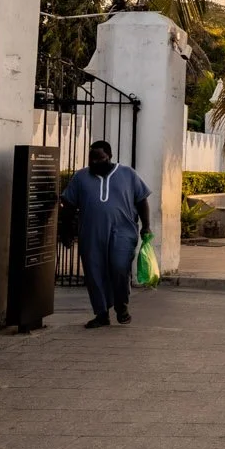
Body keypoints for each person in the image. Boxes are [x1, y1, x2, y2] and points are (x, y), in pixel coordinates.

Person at [57, 140, 152, 329]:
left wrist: (146, 226)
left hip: (123, 231)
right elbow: (68, 205)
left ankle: (121, 305)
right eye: (92, 158)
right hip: (91, 234)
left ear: (109, 156)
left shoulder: (128, 174)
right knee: (94, 272)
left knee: (119, 267)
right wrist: (65, 231)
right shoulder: (81, 177)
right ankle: (101, 314)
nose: (95, 162)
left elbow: (142, 201)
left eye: (99, 158)